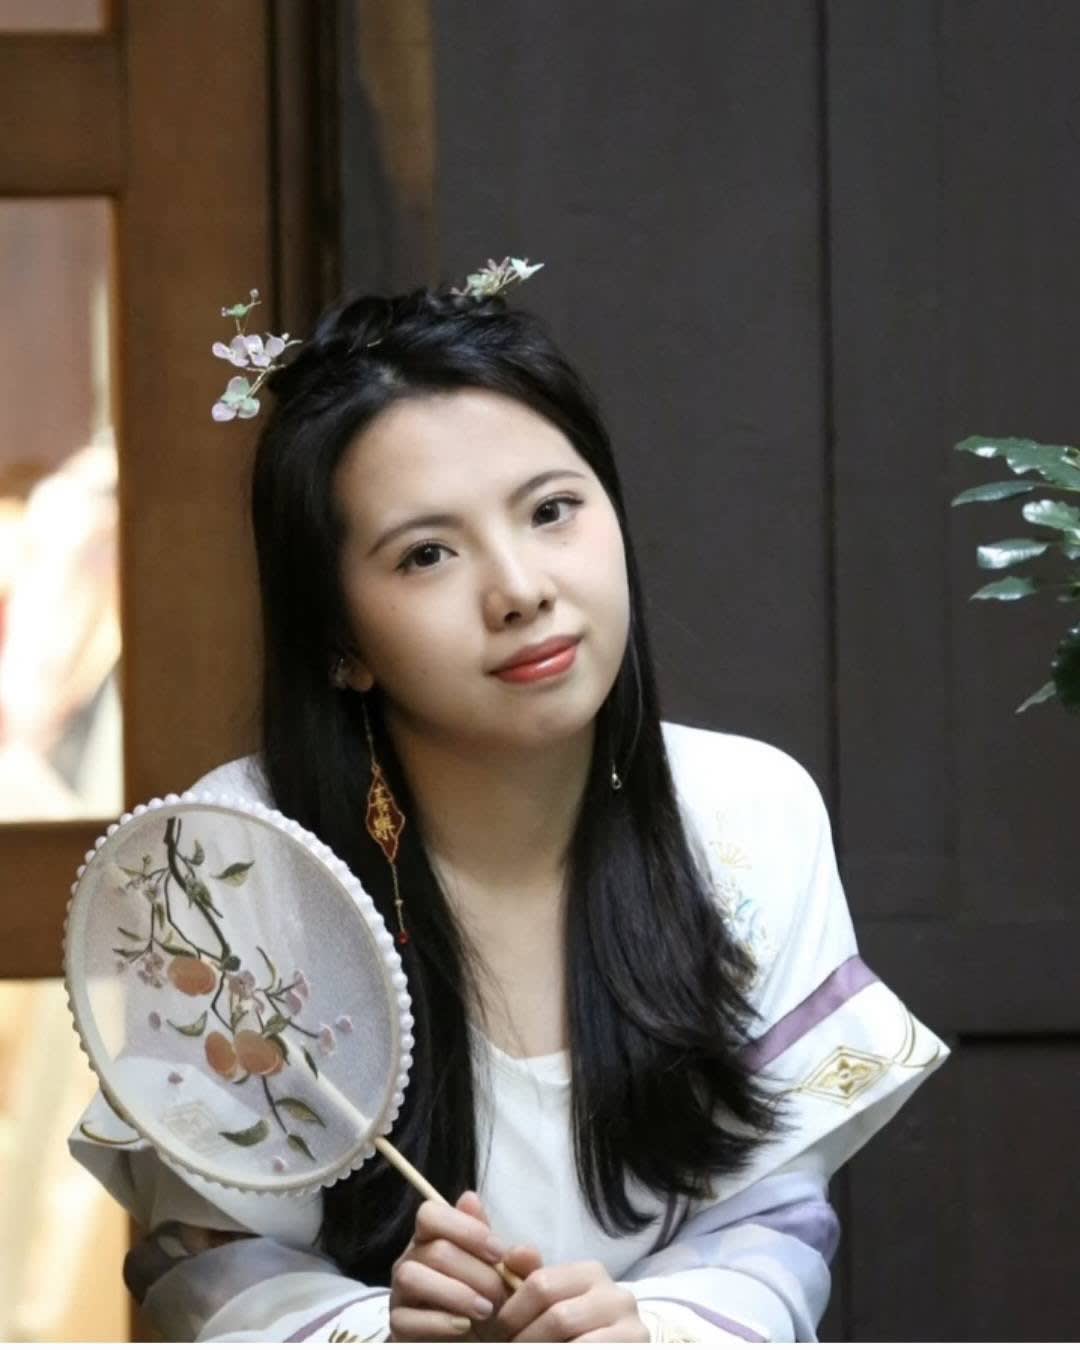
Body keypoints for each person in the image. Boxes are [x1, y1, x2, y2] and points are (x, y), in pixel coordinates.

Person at [70, 267, 948, 1342]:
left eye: (551, 511)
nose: (521, 588)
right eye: (427, 554)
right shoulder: (230, 865)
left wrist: (645, 1329)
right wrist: (384, 1330)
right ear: (339, 639)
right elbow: (205, 1263)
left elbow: (773, 1225)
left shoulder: (749, 813)